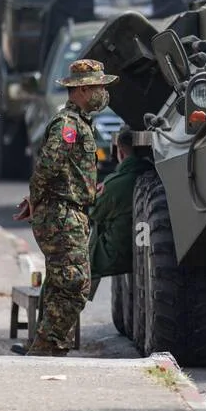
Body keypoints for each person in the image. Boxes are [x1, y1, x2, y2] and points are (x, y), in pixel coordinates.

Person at [11, 59, 118, 356]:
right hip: (61, 214)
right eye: (98, 87)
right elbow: (47, 166)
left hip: (69, 212)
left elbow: (64, 170)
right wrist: (35, 200)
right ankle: (47, 346)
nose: (102, 93)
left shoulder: (79, 123)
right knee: (75, 283)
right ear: (82, 90)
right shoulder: (68, 126)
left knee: (61, 282)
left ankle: (47, 345)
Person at [85, 127, 153, 301]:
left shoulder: (116, 184)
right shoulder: (152, 175)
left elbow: (95, 213)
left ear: (120, 152)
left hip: (118, 254)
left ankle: (71, 303)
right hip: (146, 250)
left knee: (73, 264)